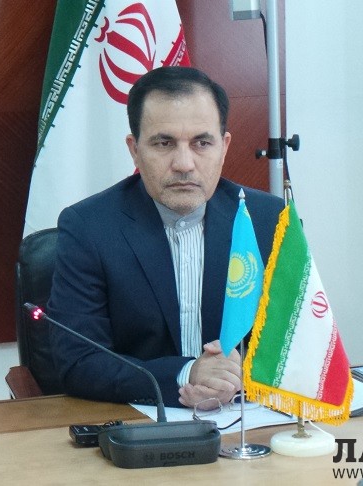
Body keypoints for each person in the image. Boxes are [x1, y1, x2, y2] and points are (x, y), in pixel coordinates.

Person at [46, 66, 284, 410]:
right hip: (136, 423)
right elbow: (79, 361)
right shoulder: (89, 227)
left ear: (224, 147)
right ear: (135, 149)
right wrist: (187, 374)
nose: (184, 164)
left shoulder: (268, 219)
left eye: (202, 143)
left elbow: (297, 339)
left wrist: (231, 378)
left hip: (245, 420)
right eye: (164, 143)